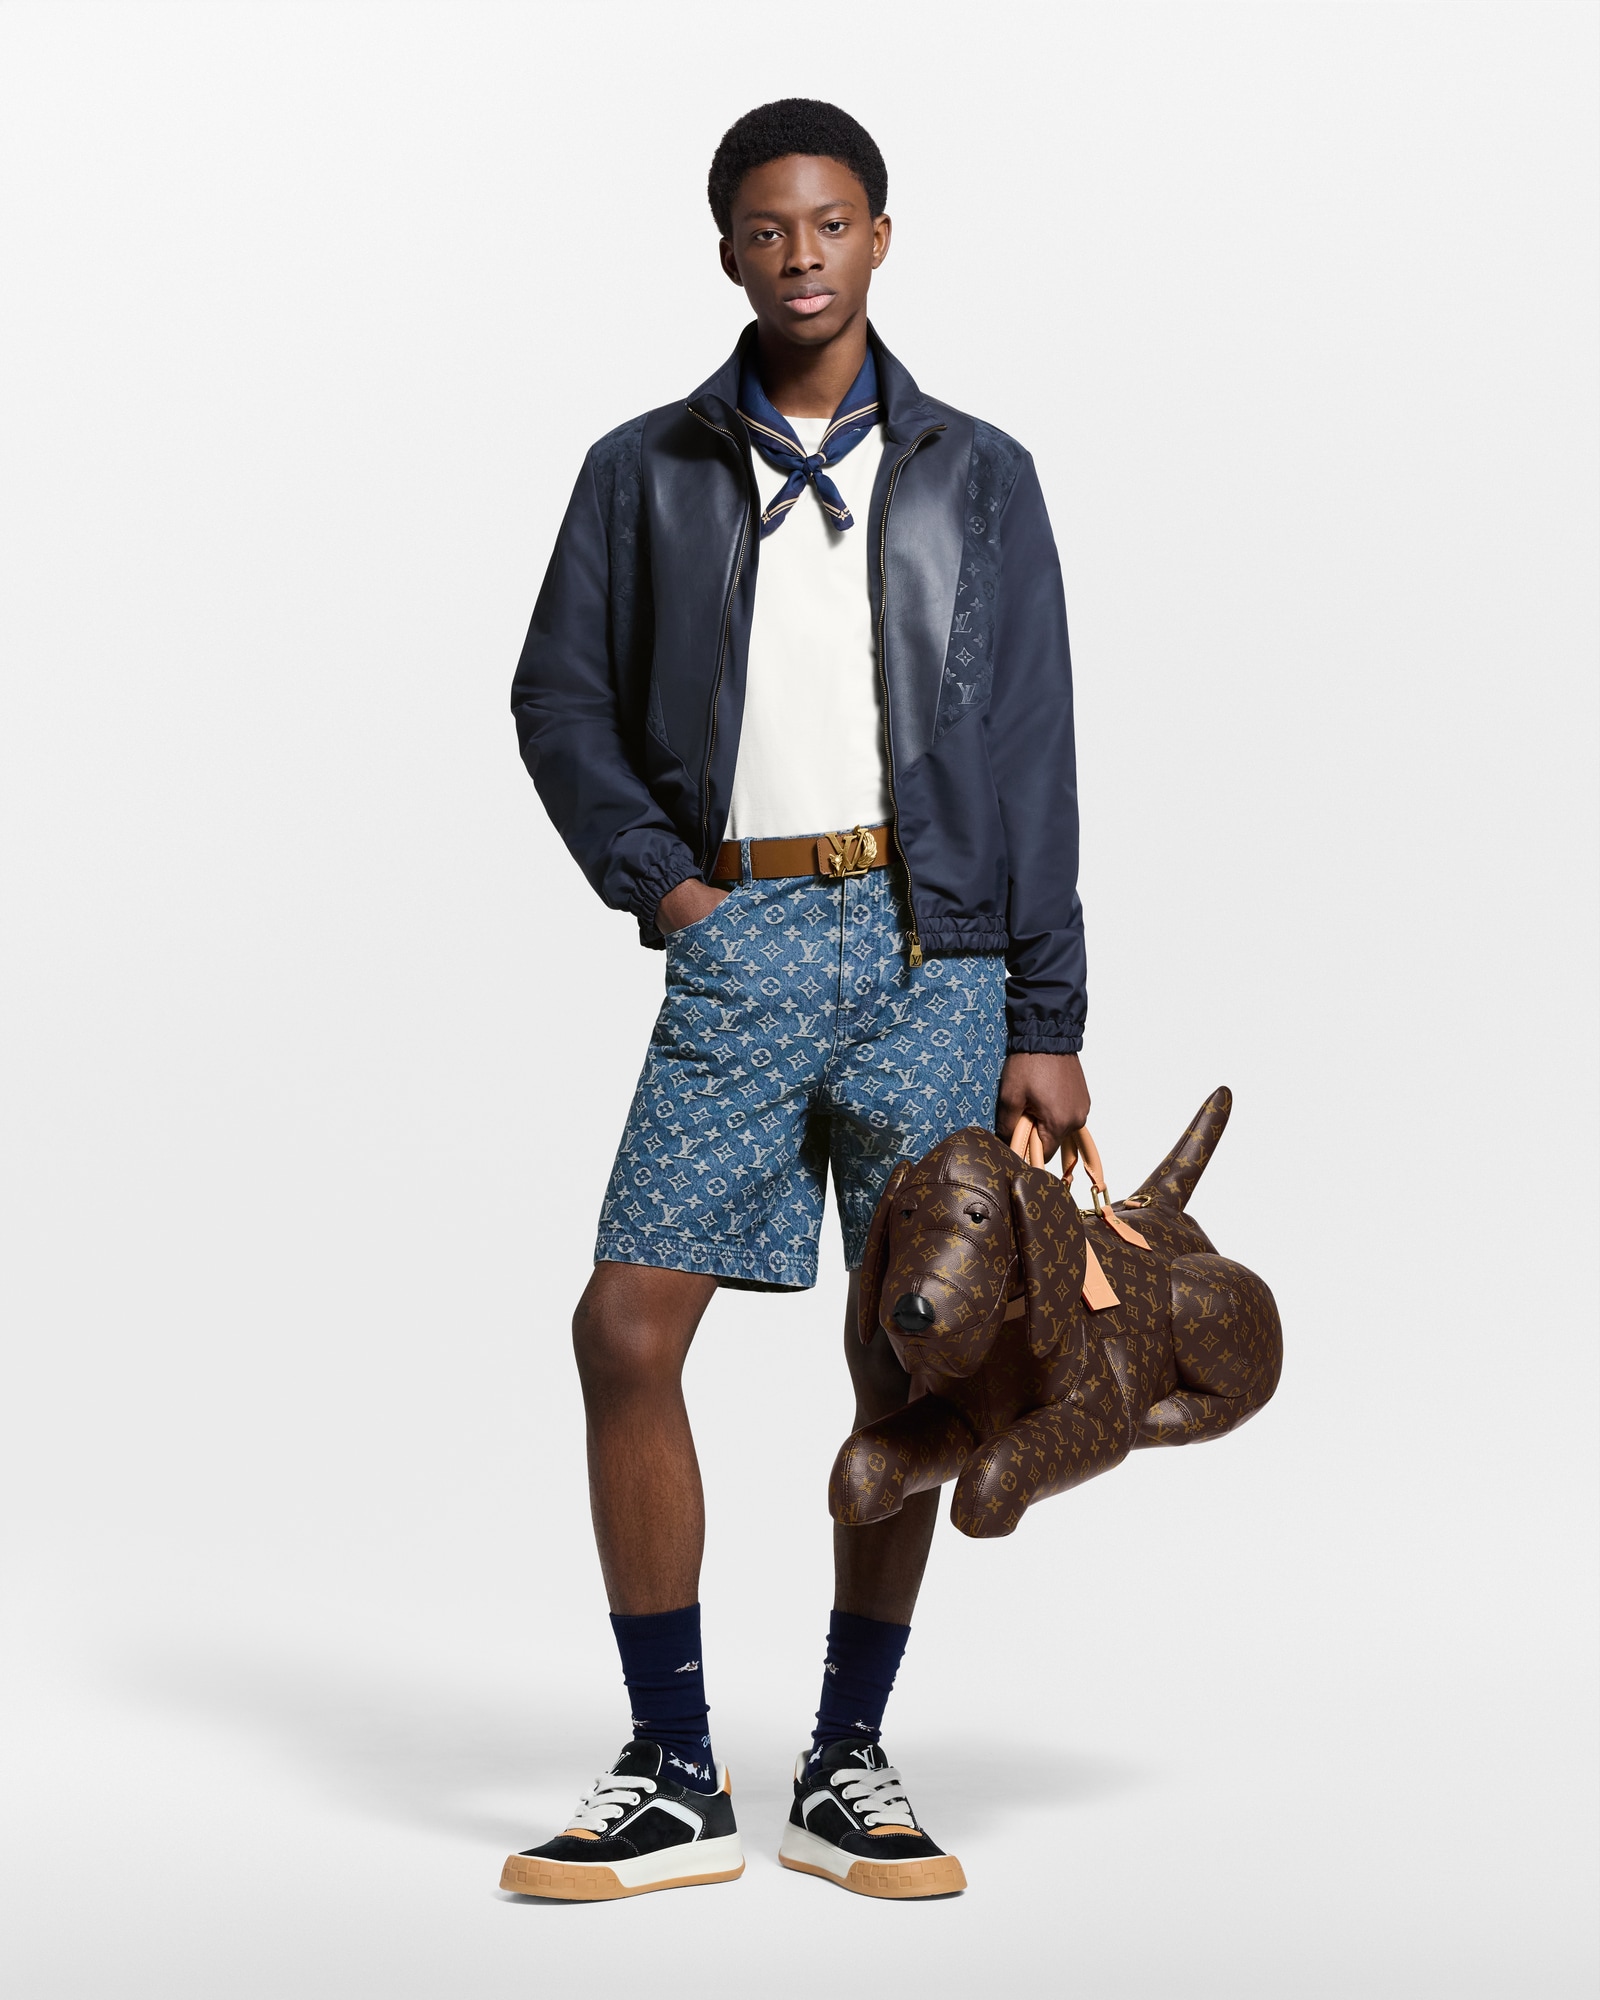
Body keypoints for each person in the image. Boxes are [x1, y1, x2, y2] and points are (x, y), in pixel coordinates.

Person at [502, 97, 1088, 1903]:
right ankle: (673, 1769)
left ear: (880, 237)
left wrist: (1049, 1013)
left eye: (832, 222)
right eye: (769, 228)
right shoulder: (645, 470)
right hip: (742, 939)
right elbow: (557, 699)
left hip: (935, 957)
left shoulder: (981, 475)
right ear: (729, 253)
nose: (803, 254)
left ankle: (848, 1761)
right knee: (626, 1327)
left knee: (910, 1359)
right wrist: (673, 892)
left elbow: (1033, 745)